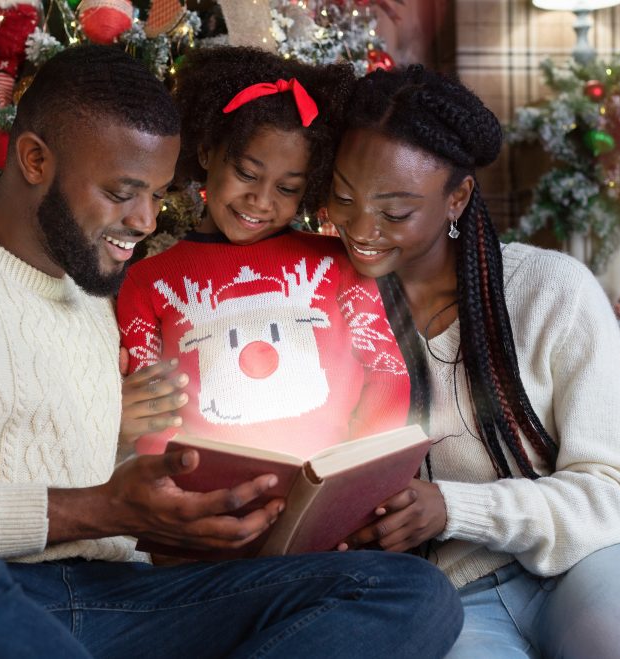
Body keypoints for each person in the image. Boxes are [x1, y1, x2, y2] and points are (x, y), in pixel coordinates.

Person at [0, 46, 464, 658]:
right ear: (36, 159)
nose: (144, 220)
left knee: (408, 591)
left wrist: (188, 506)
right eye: (122, 191)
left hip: (112, 601)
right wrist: (93, 508)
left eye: (158, 194)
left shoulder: (94, 297)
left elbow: (108, 490)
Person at [328, 65, 620, 658]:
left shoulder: (551, 292)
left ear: (457, 198)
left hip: (586, 567)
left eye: (394, 211)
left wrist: (453, 508)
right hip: (444, 597)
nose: (360, 229)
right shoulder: (322, 303)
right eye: (345, 198)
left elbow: (619, 496)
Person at [116, 46, 410, 457]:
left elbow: (387, 374)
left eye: (287, 188)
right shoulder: (147, 284)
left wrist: (351, 478)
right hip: (201, 507)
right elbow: (151, 413)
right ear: (206, 153)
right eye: (246, 173)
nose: (260, 200)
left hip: (326, 501)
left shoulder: (336, 265)